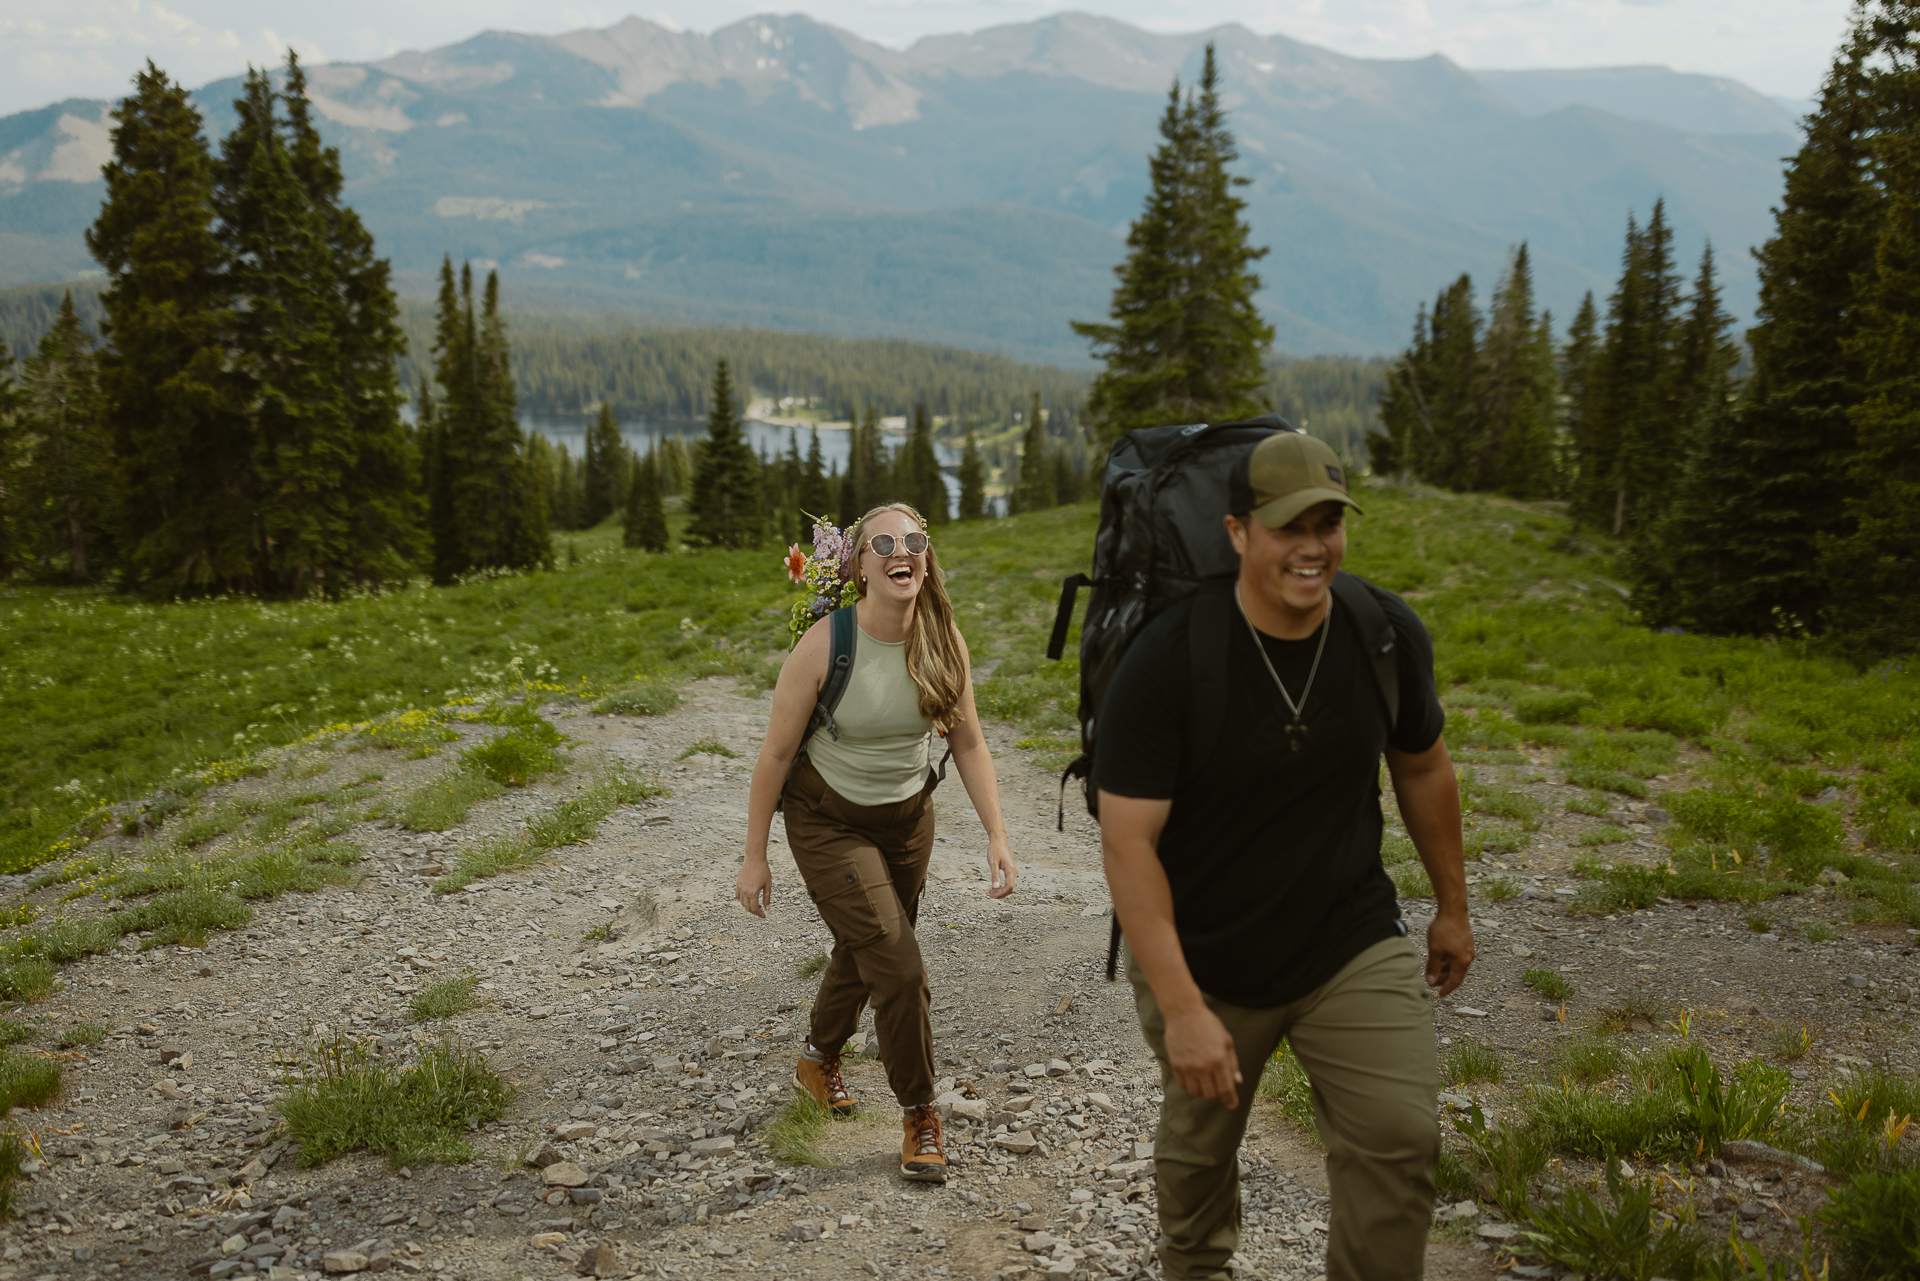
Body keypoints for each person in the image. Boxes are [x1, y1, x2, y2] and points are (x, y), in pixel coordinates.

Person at [1094, 431, 1472, 1280]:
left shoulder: (1382, 633)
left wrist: (1453, 905)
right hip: (1205, 952)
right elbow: (1128, 845)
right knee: (1198, 1163)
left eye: (1329, 522)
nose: (1312, 546)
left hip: (1347, 937)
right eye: (1289, 525)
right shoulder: (1170, 661)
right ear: (1237, 532)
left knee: (1399, 1137)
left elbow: (1424, 763)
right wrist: (1186, 1010)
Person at [736, 501, 1019, 1184]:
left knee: (869, 949)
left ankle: (816, 1057)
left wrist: (996, 834)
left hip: (907, 818)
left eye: (914, 539)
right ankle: (920, 1111)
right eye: (884, 542)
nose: (903, 550)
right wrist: (754, 854)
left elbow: (968, 740)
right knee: (898, 964)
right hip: (827, 817)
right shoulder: (826, 645)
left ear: (926, 556)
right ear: (859, 564)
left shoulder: (943, 638)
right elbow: (775, 756)